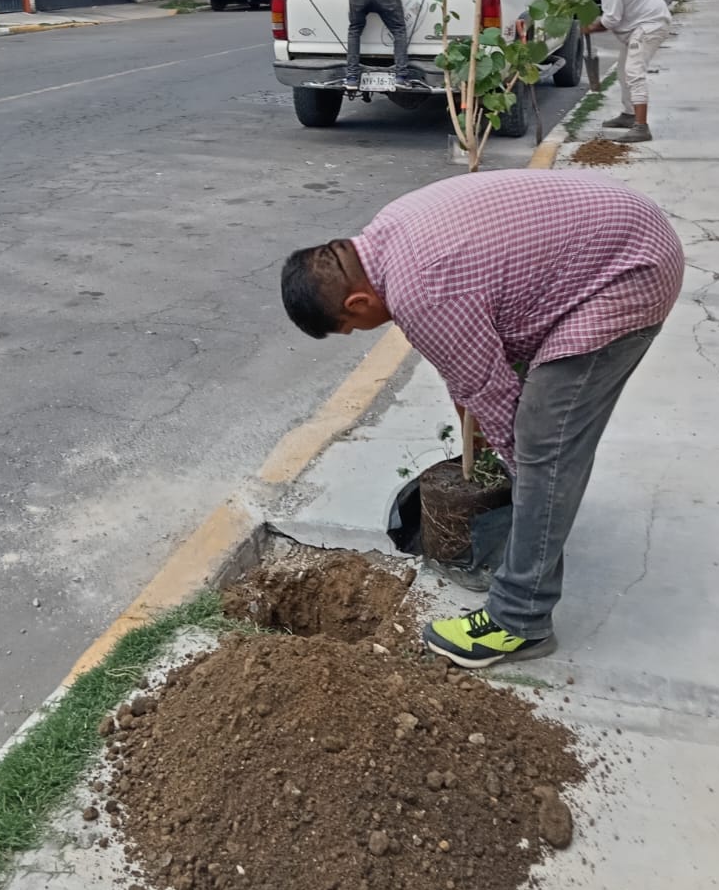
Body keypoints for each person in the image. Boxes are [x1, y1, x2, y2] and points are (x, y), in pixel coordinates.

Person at [280, 170, 684, 669]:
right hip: (614, 235)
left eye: (350, 328)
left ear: (357, 303)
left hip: (625, 271)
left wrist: (529, 481)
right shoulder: (385, 234)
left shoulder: (420, 292)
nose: (358, 332)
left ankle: (521, 620)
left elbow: (492, 395)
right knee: (537, 446)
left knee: (542, 445)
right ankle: (535, 548)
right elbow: (470, 370)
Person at [586, 0, 671, 143]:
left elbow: (611, 19)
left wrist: (589, 28)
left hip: (649, 25)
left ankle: (641, 127)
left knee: (633, 72)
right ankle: (629, 114)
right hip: (646, 21)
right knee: (623, 71)